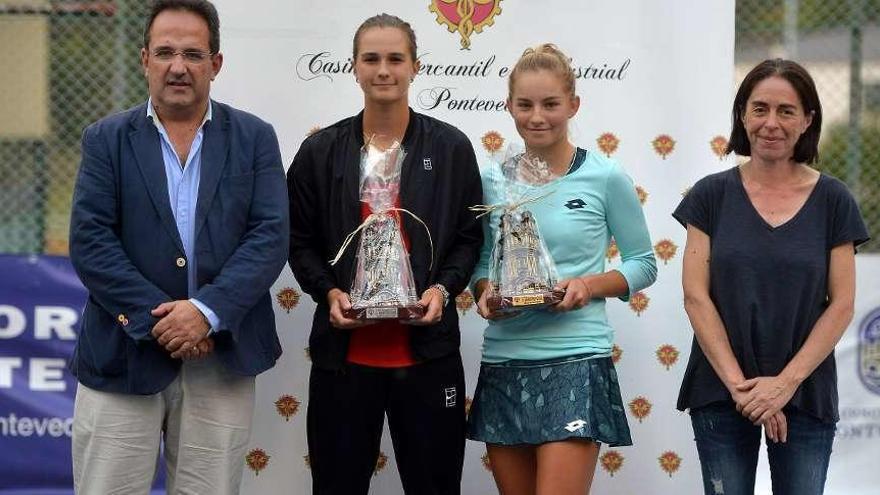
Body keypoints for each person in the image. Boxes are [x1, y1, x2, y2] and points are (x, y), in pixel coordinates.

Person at [67, 0, 289, 493]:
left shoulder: (255, 138)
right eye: (165, 52)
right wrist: (163, 322)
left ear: (216, 63)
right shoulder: (105, 140)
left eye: (193, 53)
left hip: (221, 355)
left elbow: (269, 236)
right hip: (123, 356)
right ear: (144, 59)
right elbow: (91, 241)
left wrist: (206, 313)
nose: (178, 66)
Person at [287, 13, 483, 495]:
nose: (383, 70)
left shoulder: (452, 146)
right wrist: (329, 291)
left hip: (428, 354)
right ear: (353, 67)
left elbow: (469, 236)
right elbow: (297, 240)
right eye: (371, 58)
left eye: (396, 58)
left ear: (415, 66)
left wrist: (443, 288)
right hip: (345, 358)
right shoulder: (320, 151)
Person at [469, 44, 658, 495]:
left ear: (573, 105)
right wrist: (484, 291)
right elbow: (480, 262)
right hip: (504, 359)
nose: (538, 116)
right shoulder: (492, 180)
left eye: (551, 104)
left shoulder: (606, 176)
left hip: (575, 358)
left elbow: (643, 264)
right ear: (508, 105)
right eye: (526, 104)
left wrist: (586, 286)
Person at [675, 58, 869, 495]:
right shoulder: (710, 195)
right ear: (742, 115)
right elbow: (695, 296)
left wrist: (783, 386)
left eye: (786, 111)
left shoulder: (834, 201)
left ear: (807, 120)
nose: (771, 123)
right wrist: (744, 390)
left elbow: (841, 305)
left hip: (805, 389)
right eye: (759, 108)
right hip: (722, 390)